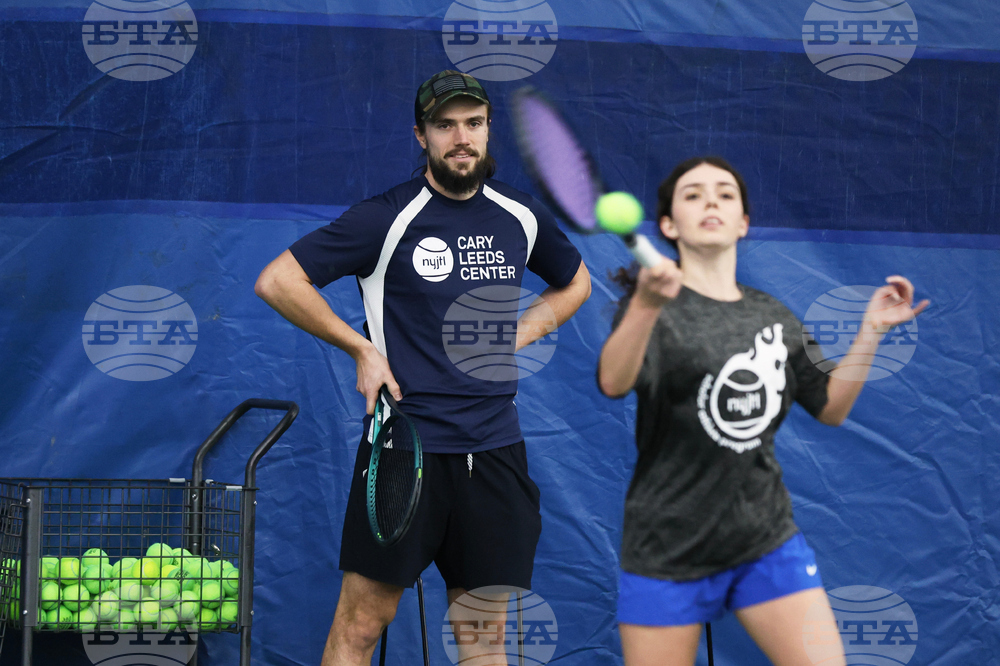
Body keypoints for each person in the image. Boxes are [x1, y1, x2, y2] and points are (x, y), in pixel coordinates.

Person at [255, 70, 591, 666]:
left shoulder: (519, 215)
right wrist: (362, 349)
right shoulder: (387, 217)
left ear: (487, 132)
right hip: (405, 450)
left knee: (484, 638)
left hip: (494, 450)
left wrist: (519, 333)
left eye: (473, 123)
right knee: (361, 626)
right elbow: (279, 280)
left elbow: (575, 282)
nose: (460, 137)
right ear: (421, 136)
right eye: (444, 125)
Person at [597, 156, 928, 666]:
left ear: (744, 222)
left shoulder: (774, 316)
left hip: (765, 541)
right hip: (665, 548)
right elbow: (613, 382)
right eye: (693, 194)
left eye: (726, 194)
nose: (711, 200)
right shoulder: (650, 308)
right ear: (668, 224)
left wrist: (872, 331)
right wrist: (643, 306)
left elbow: (831, 407)